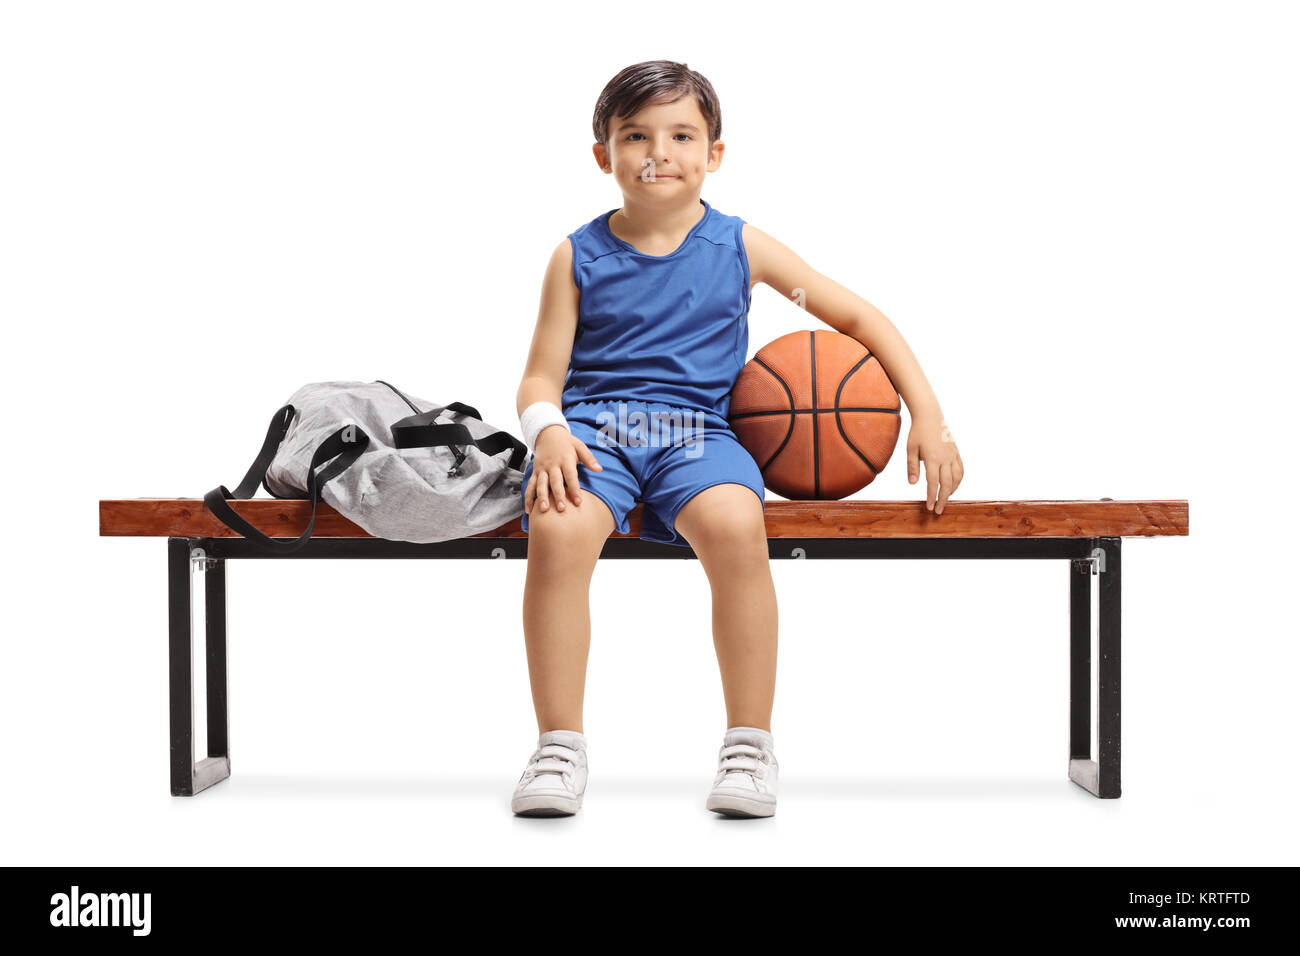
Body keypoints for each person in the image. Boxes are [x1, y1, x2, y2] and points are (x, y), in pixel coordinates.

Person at [511, 60, 964, 818]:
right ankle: (558, 745)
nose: (659, 150)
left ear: (714, 152)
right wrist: (548, 431)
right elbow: (537, 378)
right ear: (604, 156)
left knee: (733, 522)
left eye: (682, 134)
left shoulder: (740, 247)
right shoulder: (576, 257)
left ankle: (749, 746)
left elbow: (857, 318)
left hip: (697, 432)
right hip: (596, 431)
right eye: (635, 135)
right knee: (557, 531)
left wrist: (928, 415)